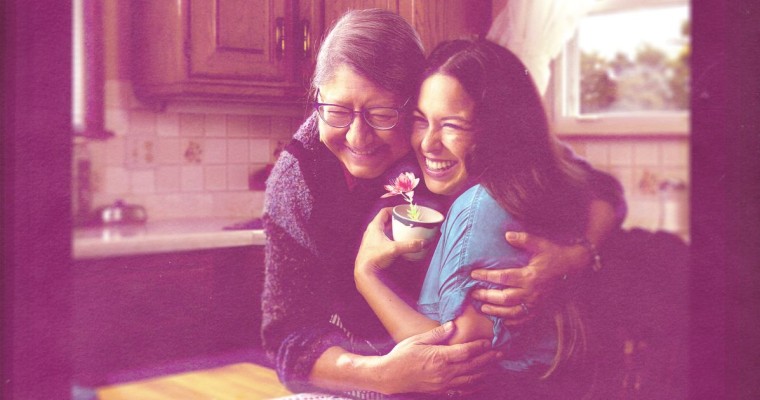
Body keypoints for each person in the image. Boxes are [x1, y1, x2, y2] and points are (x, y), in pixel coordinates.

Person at [262, 9, 625, 398]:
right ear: (318, 99)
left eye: (382, 114)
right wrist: (382, 374)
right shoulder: (298, 177)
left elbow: (599, 189)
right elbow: (288, 339)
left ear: (410, 101)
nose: (358, 136)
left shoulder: (449, 157)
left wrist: (573, 256)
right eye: (336, 111)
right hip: (370, 372)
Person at [354, 39, 605, 398]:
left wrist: (366, 276)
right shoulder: (517, 187)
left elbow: (450, 361)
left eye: (452, 126)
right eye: (420, 121)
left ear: (497, 130)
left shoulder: (481, 206)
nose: (428, 143)